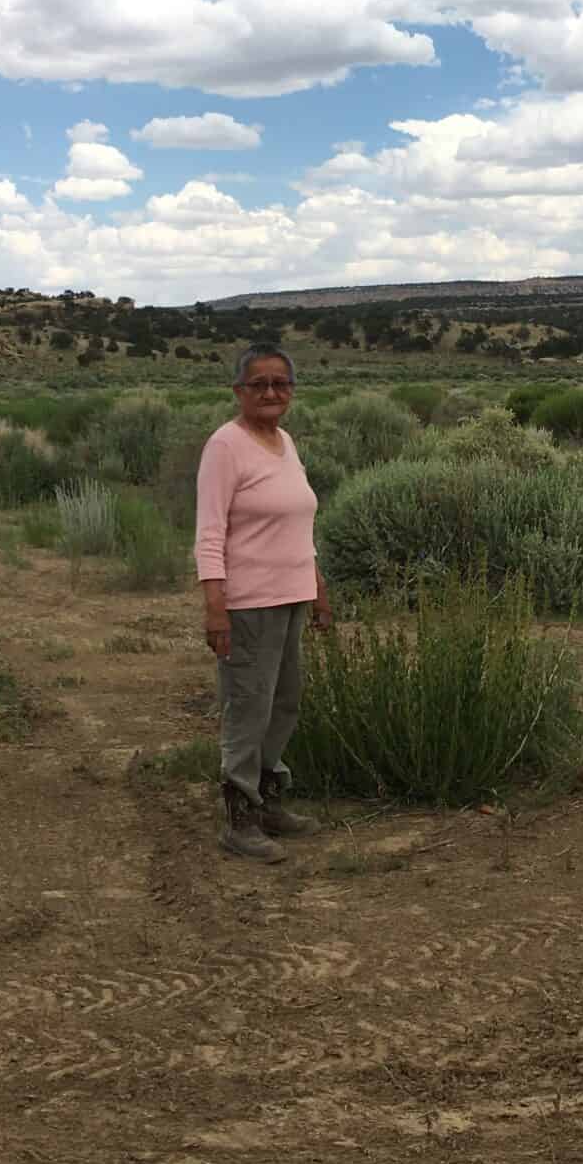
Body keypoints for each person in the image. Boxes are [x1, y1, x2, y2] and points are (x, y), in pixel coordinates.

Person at [194, 345, 332, 862]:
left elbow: (300, 523)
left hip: (292, 595)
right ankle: (240, 818)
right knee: (248, 707)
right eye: (259, 385)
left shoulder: (285, 442)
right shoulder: (225, 446)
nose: (271, 393)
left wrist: (316, 585)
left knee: (283, 702)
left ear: (292, 391)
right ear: (239, 391)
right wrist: (215, 606)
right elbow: (210, 532)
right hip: (249, 603)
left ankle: (270, 798)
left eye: (281, 383)